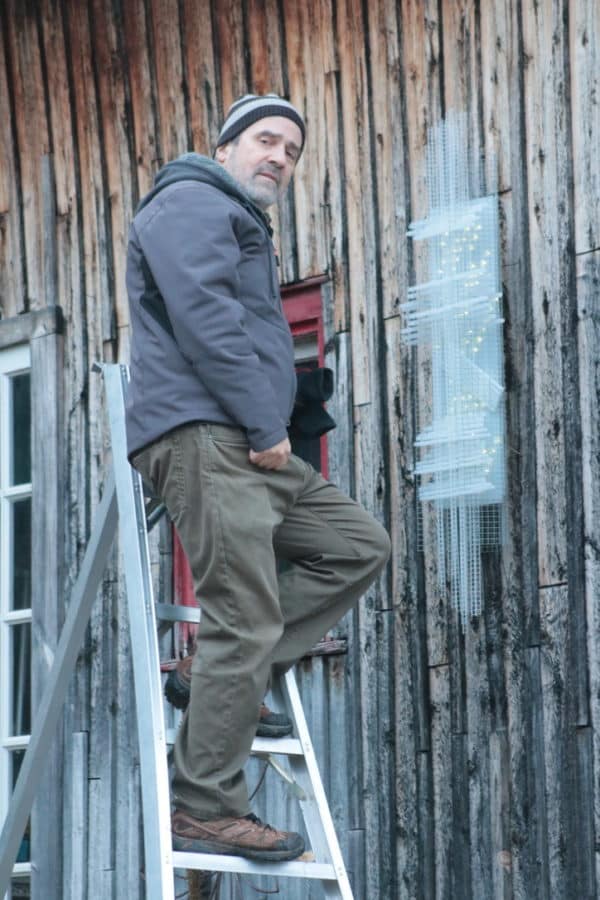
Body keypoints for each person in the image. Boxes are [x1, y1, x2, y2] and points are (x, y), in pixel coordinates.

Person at [125, 93, 391, 862]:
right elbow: (203, 314)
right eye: (267, 140)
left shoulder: (232, 215)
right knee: (242, 611)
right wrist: (265, 421)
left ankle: (217, 676)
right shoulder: (190, 201)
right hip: (214, 435)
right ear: (228, 145)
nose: (279, 156)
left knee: (356, 544)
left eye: (292, 150)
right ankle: (206, 804)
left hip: (250, 442)